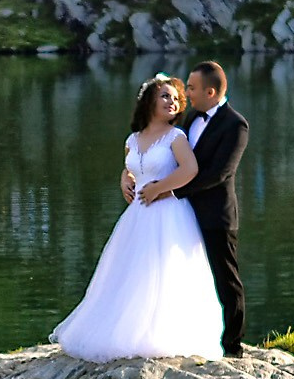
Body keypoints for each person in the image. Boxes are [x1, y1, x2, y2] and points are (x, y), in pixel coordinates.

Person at [51, 74, 226, 363]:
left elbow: (190, 170)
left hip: (168, 212)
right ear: (149, 103)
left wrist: (160, 187)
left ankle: (160, 333)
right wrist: (126, 178)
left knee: (162, 270)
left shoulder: (176, 137)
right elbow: (132, 166)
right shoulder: (133, 139)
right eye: (165, 96)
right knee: (129, 269)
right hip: (138, 214)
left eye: (175, 97)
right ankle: (123, 329)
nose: (172, 102)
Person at [171, 62, 248, 357]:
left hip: (217, 216)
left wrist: (172, 190)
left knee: (226, 279)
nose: (187, 93)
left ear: (210, 91)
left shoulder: (235, 124)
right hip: (184, 214)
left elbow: (219, 173)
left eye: (191, 88)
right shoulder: (191, 117)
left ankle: (233, 345)